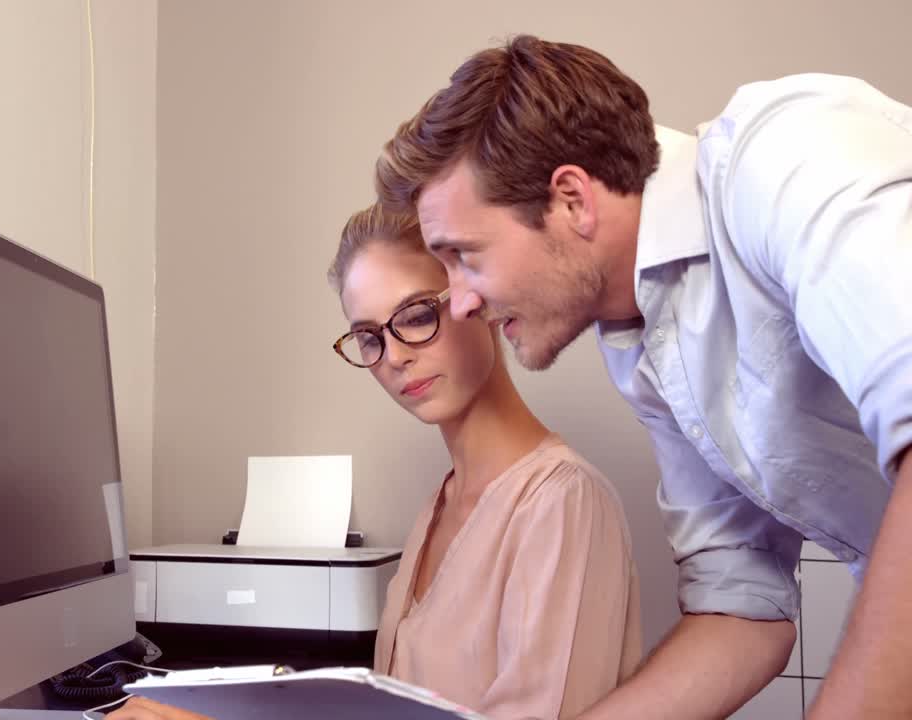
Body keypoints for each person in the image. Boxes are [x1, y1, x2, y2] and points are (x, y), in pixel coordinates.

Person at [374, 33, 912, 720]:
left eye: (464, 256)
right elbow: (741, 610)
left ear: (571, 200)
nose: (460, 302)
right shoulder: (645, 343)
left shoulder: (788, 156)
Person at [108, 204, 641, 719]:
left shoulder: (562, 502)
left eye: (417, 315)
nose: (395, 356)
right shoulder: (442, 504)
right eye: (369, 337)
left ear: (475, 296)